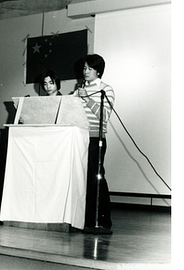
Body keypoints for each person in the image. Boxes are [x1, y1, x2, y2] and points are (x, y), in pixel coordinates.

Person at [75, 54, 115, 234]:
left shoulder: (106, 89)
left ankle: (103, 220)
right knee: (82, 179)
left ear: (98, 71)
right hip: (79, 137)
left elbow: (105, 116)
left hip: (95, 138)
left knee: (96, 177)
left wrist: (87, 99)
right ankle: (86, 219)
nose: (85, 71)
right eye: (84, 68)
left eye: (89, 68)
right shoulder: (79, 89)